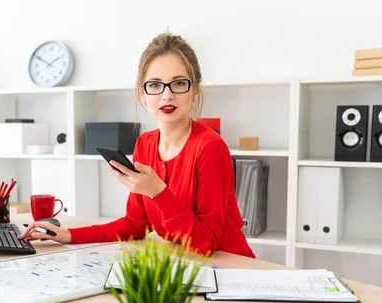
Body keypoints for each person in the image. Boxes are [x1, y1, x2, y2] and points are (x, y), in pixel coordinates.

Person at [19, 32, 255, 260]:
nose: (167, 95)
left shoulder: (210, 147)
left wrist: (158, 192)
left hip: (229, 268)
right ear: (143, 93)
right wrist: (69, 235)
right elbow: (135, 224)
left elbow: (205, 243)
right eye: (155, 85)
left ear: (194, 91)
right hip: (186, 265)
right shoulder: (145, 143)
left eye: (179, 83)